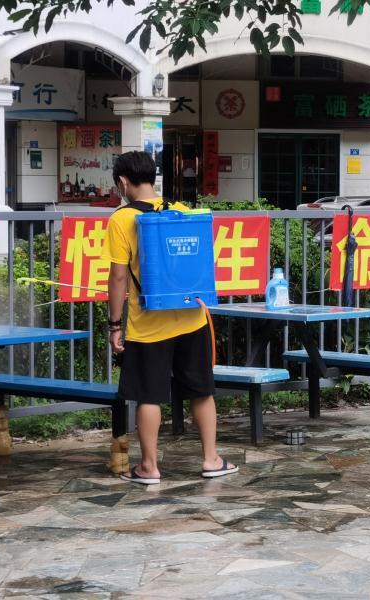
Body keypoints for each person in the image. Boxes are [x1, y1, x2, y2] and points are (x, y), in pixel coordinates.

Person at [101, 151, 238, 485]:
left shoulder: (121, 219)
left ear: (123, 182)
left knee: (149, 394)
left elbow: (118, 277)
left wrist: (114, 325)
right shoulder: (182, 211)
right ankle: (211, 459)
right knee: (201, 390)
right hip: (192, 318)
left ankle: (149, 467)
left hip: (149, 325)